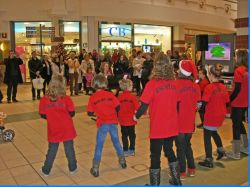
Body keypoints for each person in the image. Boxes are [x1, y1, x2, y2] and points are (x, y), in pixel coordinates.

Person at [134, 53, 182, 186]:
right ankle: (176, 180)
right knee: (169, 151)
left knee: (155, 155)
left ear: (156, 66)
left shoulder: (152, 84)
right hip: (172, 125)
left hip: (158, 126)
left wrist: (136, 116)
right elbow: (177, 105)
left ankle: (155, 184)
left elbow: (143, 105)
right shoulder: (174, 83)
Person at [87, 74, 127, 177]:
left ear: (94, 84)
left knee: (99, 145)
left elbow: (89, 113)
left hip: (102, 124)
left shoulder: (92, 98)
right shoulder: (110, 95)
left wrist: (97, 111)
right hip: (113, 122)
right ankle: (122, 161)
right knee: (116, 142)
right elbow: (118, 106)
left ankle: (95, 168)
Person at [39, 76, 77, 176]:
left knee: (52, 150)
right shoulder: (66, 98)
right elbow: (72, 113)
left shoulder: (44, 99)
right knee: (69, 149)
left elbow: (42, 114)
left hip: (53, 128)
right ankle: (73, 168)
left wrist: (52, 117)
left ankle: (46, 170)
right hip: (67, 128)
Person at [198, 64, 229, 168]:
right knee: (214, 132)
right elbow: (227, 102)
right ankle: (221, 150)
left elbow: (204, 104)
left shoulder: (209, 87)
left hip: (211, 115)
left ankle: (208, 160)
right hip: (220, 115)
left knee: (207, 137)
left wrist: (197, 107)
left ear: (210, 75)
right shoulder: (223, 87)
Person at [175, 60, 201, 180]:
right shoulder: (196, 86)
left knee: (180, 147)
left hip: (178, 122)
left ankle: (181, 172)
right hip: (190, 122)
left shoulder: (175, 84)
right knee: (187, 145)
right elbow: (198, 105)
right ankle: (191, 169)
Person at [226, 49, 248, 159]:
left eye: (235, 56)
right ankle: (246, 145)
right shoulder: (246, 70)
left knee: (236, 125)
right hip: (245, 101)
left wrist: (229, 99)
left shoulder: (238, 70)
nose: (234, 58)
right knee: (239, 123)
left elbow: (237, 89)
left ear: (239, 57)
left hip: (238, 102)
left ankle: (236, 152)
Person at [118, 79, 139, 156]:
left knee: (124, 135)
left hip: (122, 121)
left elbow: (116, 108)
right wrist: (137, 115)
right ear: (129, 87)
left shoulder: (119, 97)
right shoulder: (133, 97)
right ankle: (132, 149)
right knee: (132, 135)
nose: (132, 87)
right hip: (131, 120)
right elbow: (138, 107)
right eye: (132, 85)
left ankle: (125, 149)